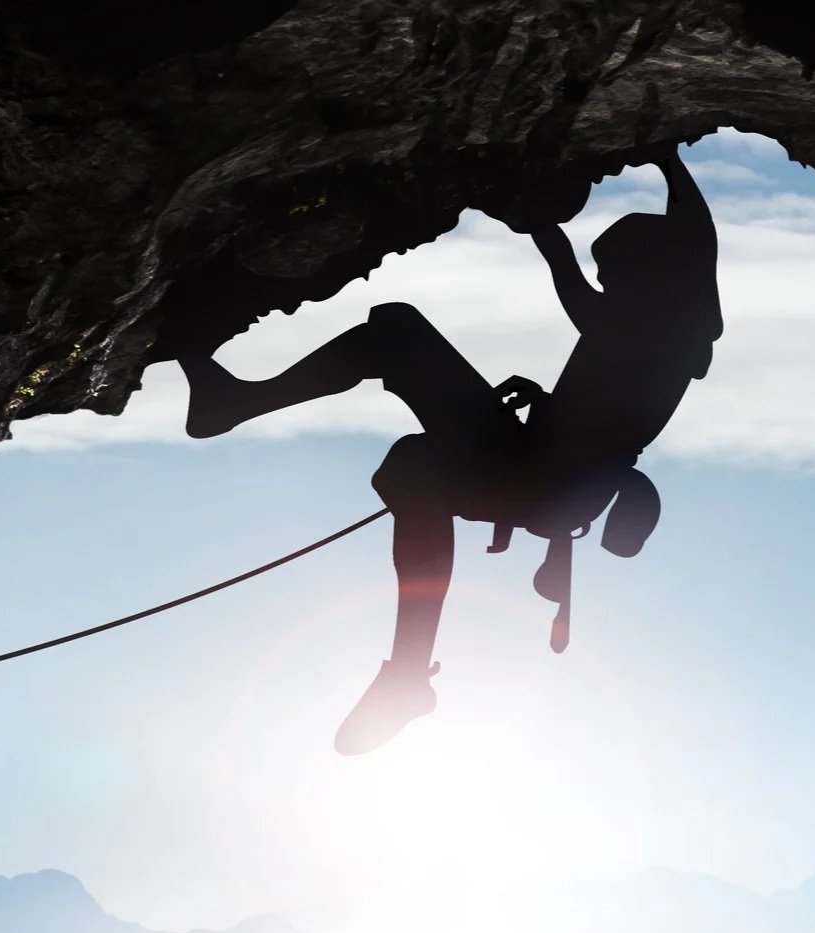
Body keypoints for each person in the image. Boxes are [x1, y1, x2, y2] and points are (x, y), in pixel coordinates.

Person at [180, 146, 721, 754]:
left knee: (408, 406)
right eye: (605, 273)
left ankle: (408, 672)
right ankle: (238, 405)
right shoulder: (626, 322)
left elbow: (695, 238)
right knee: (397, 340)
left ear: (653, 271)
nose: (604, 281)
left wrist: (670, 158)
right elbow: (567, 270)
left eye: (614, 270)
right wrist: (537, 214)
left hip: (544, 478)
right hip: (533, 461)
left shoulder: (679, 330)